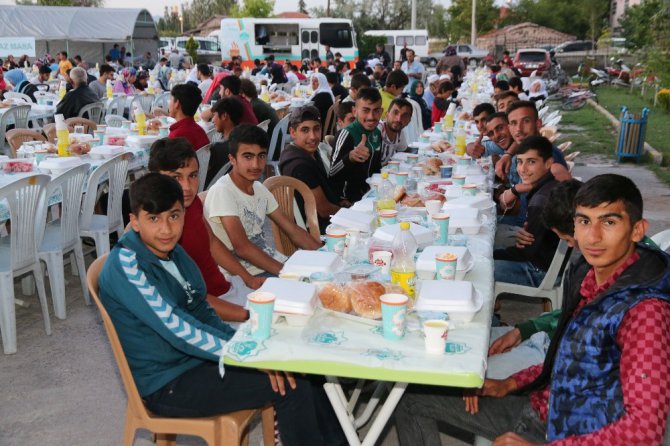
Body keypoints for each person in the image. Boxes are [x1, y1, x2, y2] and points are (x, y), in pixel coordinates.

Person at [397, 174, 670, 445]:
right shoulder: (588, 272)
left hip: (570, 435)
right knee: (410, 398)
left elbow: (643, 433)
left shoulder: (646, 313)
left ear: (637, 230)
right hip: (542, 408)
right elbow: (573, 361)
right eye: (584, 221)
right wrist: (510, 383)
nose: (593, 236)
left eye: (609, 222)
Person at [99, 173, 346, 445]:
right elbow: (178, 329)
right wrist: (247, 355)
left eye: (174, 216)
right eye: (153, 219)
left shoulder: (174, 252)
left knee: (300, 365)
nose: (166, 229)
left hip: (197, 361)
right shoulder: (127, 265)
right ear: (134, 221)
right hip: (167, 383)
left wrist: (246, 345)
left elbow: (202, 310)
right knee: (290, 385)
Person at [148, 138, 266, 319]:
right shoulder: (157, 232)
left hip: (225, 289)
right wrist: (249, 315)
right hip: (205, 311)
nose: (187, 187)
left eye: (193, 175)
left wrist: (248, 279)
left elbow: (211, 242)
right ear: (155, 178)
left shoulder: (192, 203)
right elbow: (188, 298)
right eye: (176, 177)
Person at [204, 124, 322, 277]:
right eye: (248, 156)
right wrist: (288, 273)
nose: (256, 164)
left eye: (261, 156)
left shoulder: (259, 189)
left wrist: (323, 254)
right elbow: (242, 248)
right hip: (244, 276)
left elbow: (291, 229)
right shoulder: (223, 191)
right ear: (232, 159)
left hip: (269, 264)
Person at [493, 136, 560, 288]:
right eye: (519, 161)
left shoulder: (541, 200)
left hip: (539, 272)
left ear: (548, 163)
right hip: (540, 259)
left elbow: (527, 252)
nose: (522, 169)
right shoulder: (548, 187)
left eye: (531, 162)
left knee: (480, 270)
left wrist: (490, 255)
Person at [279, 106, 350, 233]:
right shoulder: (300, 165)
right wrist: (349, 214)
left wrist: (340, 203)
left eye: (316, 129)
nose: (312, 136)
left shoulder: (307, 151)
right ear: (293, 132)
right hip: (316, 231)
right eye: (305, 130)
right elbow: (323, 210)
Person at [329, 87, 383, 202]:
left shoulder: (377, 133)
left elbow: (376, 169)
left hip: (370, 196)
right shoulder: (346, 133)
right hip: (347, 200)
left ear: (381, 112)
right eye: (366, 110)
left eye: (376, 111)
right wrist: (350, 157)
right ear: (355, 111)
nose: (371, 117)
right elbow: (332, 173)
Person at [206, 97, 243, 188]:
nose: (212, 120)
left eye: (214, 115)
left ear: (224, 116)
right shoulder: (243, 139)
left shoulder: (219, 149)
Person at [168, 83, 210, 150]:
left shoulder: (176, 137)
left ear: (177, 104)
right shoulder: (199, 130)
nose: (169, 103)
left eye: (171, 100)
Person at [379, 98, 413, 165]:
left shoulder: (400, 133)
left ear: (409, 121)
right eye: (395, 113)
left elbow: (404, 150)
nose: (399, 119)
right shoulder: (378, 130)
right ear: (387, 114)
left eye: (404, 116)